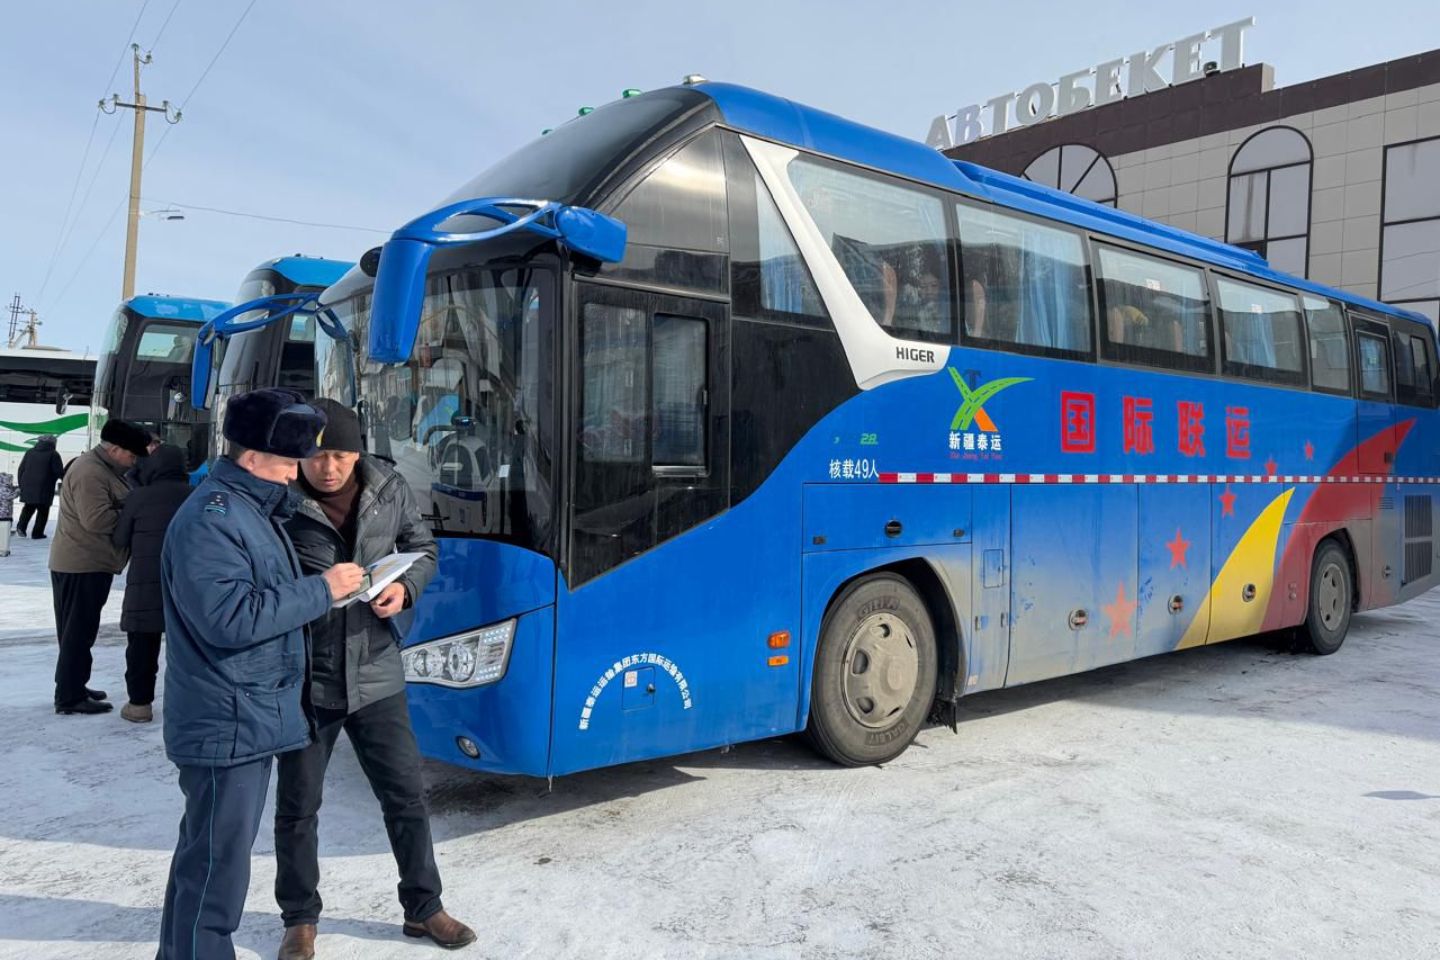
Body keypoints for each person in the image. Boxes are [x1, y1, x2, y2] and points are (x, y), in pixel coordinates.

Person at [155, 388, 365, 960]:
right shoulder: (213, 518)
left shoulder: (249, 508)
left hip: (241, 713)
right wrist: (322, 590)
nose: (300, 471)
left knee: (204, 858)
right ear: (253, 458)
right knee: (216, 874)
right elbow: (231, 617)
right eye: (291, 459)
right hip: (227, 720)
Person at [274, 399, 474, 959]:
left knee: (406, 796)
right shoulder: (279, 498)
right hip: (307, 678)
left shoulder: (389, 487)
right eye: (316, 455)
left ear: (357, 451)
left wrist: (405, 589)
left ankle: (424, 908)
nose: (327, 467)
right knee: (298, 806)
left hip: (377, 673)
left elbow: (423, 549)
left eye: (339, 454)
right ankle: (300, 918)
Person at [49, 419, 151, 715]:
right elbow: (96, 520)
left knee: (77, 630)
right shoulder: (90, 472)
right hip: (82, 563)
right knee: (77, 632)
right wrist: (134, 521)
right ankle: (69, 696)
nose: (133, 462)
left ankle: (73, 684)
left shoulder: (101, 468)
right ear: (115, 449)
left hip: (85, 561)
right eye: (131, 456)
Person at [110, 444, 192, 724]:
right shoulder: (195, 496)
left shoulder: (139, 497)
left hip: (144, 585)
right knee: (186, 649)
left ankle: (139, 705)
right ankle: (186, 706)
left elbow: (119, 539)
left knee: (141, 647)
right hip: (187, 587)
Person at [16, 435, 64, 538]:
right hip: (45, 487)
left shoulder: (30, 452)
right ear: (53, 443)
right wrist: (65, 479)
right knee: (43, 510)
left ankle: (21, 527)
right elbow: (58, 471)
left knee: (28, 507)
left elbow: (21, 469)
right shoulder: (53, 454)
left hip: (28, 486)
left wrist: (22, 484)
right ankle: (37, 533)